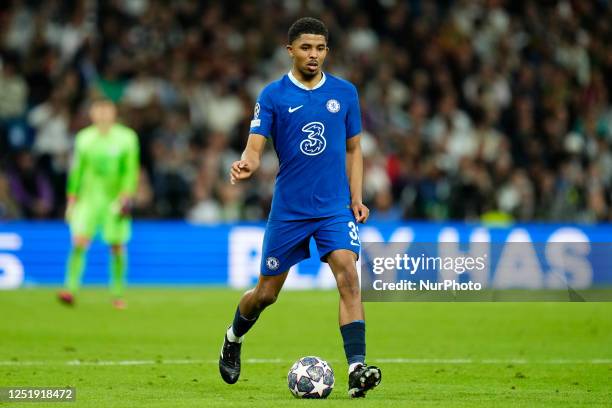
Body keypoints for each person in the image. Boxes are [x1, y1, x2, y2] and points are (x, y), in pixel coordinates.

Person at [219, 17, 381, 398]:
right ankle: (232, 336)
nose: (314, 55)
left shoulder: (345, 93)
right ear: (289, 49)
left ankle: (357, 369)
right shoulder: (273, 96)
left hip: (333, 208)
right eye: (306, 47)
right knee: (266, 294)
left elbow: (354, 149)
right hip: (289, 210)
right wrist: (247, 163)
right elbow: (255, 146)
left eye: (321, 48)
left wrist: (356, 198)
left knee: (348, 276)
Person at [58, 98, 139, 309]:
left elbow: (130, 170)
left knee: (117, 245)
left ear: (114, 113)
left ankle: (118, 294)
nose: (103, 115)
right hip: (88, 199)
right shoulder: (84, 138)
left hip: (114, 199)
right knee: (79, 241)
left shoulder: (127, 138)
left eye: (107, 111)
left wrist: (125, 196)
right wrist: (71, 199)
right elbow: (77, 170)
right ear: (92, 114)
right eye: (98, 111)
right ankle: (70, 289)